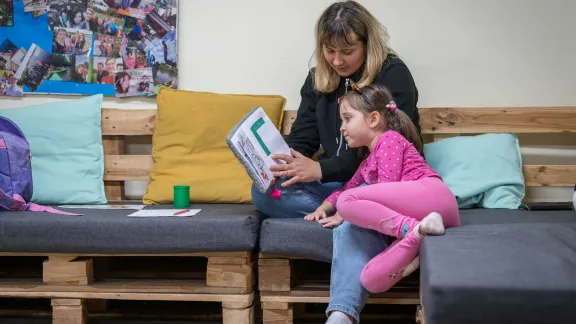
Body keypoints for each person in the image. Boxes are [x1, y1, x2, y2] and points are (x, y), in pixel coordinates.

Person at [251, 1, 420, 323]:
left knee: (357, 209)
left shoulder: (392, 74)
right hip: (339, 187)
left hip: (385, 182)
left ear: (367, 44)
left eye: (347, 50)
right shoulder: (318, 78)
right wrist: (278, 163)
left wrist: (320, 169)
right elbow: (303, 137)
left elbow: (385, 149)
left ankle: (342, 312)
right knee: (265, 191)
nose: (337, 60)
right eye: (329, 51)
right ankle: (371, 224)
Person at [306, 83, 461, 294]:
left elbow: (387, 187)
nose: (342, 127)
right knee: (370, 280)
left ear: (373, 119)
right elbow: (347, 190)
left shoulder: (389, 139)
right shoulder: (366, 163)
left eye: (348, 118)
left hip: (433, 194)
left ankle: (407, 228)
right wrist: (324, 207)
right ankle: (417, 234)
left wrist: (345, 211)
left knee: (348, 202)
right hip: (428, 216)